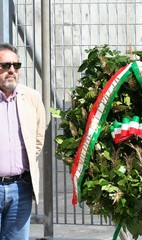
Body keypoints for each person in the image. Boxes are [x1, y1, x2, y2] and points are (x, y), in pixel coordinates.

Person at [0, 43, 46, 239]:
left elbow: (37, 140)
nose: (11, 70)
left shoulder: (32, 98)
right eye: (5, 65)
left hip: (21, 189)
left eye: (16, 66)